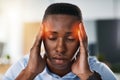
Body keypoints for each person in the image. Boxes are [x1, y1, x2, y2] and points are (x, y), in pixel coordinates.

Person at [3, 3, 117, 80]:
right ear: (41, 37)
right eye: (52, 37)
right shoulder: (22, 67)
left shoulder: (98, 71)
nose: (60, 48)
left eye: (70, 39)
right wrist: (29, 73)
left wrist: (86, 75)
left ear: (81, 39)